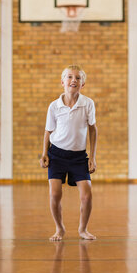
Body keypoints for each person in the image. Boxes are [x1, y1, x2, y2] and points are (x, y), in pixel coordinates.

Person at [39, 65, 98, 241]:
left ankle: (82, 229)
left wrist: (93, 158)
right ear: (62, 82)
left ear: (83, 83)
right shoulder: (54, 106)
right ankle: (59, 228)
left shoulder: (87, 104)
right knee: (55, 194)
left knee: (87, 195)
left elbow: (93, 130)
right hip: (56, 155)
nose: (74, 80)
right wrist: (44, 154)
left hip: (79, 156)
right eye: (70, 77)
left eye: (78, 78)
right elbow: (48, 131)